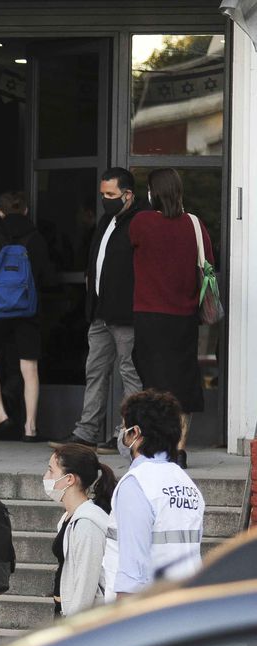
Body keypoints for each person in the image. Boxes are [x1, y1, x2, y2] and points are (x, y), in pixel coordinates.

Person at [101, 390, 205, 646]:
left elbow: (131, 571)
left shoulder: (137, 485)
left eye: (124, 427)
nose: (122, 435)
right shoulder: (186, 484)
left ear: (136, 433)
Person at [51, 168, 145, 454]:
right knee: (95, 371)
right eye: (103, 194)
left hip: (126, 313)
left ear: (128, 195)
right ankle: (86, 434)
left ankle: (129, 435)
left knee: (130, 372)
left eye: (111, 195)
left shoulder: (140, 222)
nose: (105, 199)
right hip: (100, 313)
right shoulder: (107, 221)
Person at [129, 168, 213, 469]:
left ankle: (154, 446)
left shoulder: (141, 222)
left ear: (154, 192)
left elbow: (131, 249)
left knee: (152, 384)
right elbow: (208, 265)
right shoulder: (194, 224)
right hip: (184, 317)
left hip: (149, 316)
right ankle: (179, 449)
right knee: (183, 382)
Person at [0, 191, 54, 441]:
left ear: (1, 213)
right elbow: (47, 277)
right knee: (29, 367)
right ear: (25, 210)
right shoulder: (36, 239)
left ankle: (1, 415)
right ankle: (30, 427)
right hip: (28, 311)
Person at [44, 444, 116, 617]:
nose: (46, 477)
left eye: (51, 471)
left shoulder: (87, 524)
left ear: (69, 479)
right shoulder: (69, 518)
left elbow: (85, 584)